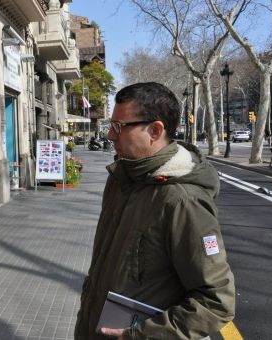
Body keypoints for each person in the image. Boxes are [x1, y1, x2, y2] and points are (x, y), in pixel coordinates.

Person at [75, 82, 235, 339]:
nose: (110, 136)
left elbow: (216, 303)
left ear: (155, 130)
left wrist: (141, 335)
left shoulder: (183, 201)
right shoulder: (121, 179)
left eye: (118, 127)